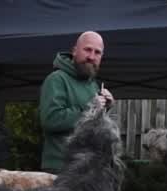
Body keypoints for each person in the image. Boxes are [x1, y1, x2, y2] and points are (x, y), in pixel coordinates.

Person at [39, 31, 114, 172]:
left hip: (86, 169)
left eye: (97, 52)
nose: (91, 57)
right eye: (87, 50)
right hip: (60, 168)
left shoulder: (93, 85)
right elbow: (51, 120)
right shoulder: (56, 79)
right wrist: (90, 109)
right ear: (74, 51)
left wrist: (105, 109)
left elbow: (92, 126)